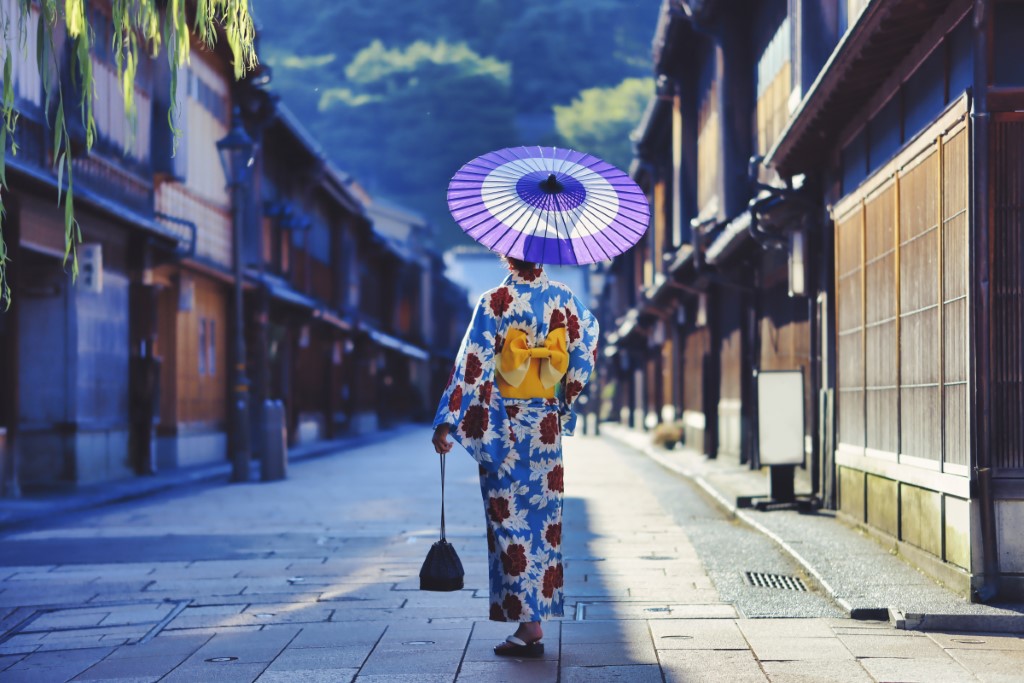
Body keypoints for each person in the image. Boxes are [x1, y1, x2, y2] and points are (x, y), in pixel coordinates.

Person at [431, 256, 598, 658]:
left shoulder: (496, 301)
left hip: (504, 425)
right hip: (544, 429)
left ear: (507, 255)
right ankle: (533, 619)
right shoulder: (564, 298)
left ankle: (529, 625)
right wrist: (562, 397)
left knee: (508, 523)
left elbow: (472, 365)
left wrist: (447, 420)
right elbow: (586, 347)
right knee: (544, 525)